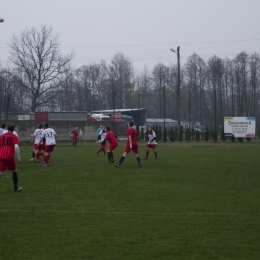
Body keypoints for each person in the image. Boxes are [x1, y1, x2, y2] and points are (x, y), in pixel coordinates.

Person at [0, 124, 22, 191]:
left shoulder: (2, 136)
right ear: (14, 129)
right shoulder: (14, 136)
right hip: (9, 156)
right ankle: (15, 187)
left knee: (0, 171)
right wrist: (18, 157)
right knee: (14, 170)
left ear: (7, 128)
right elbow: (16, 146)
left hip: (1, 155)